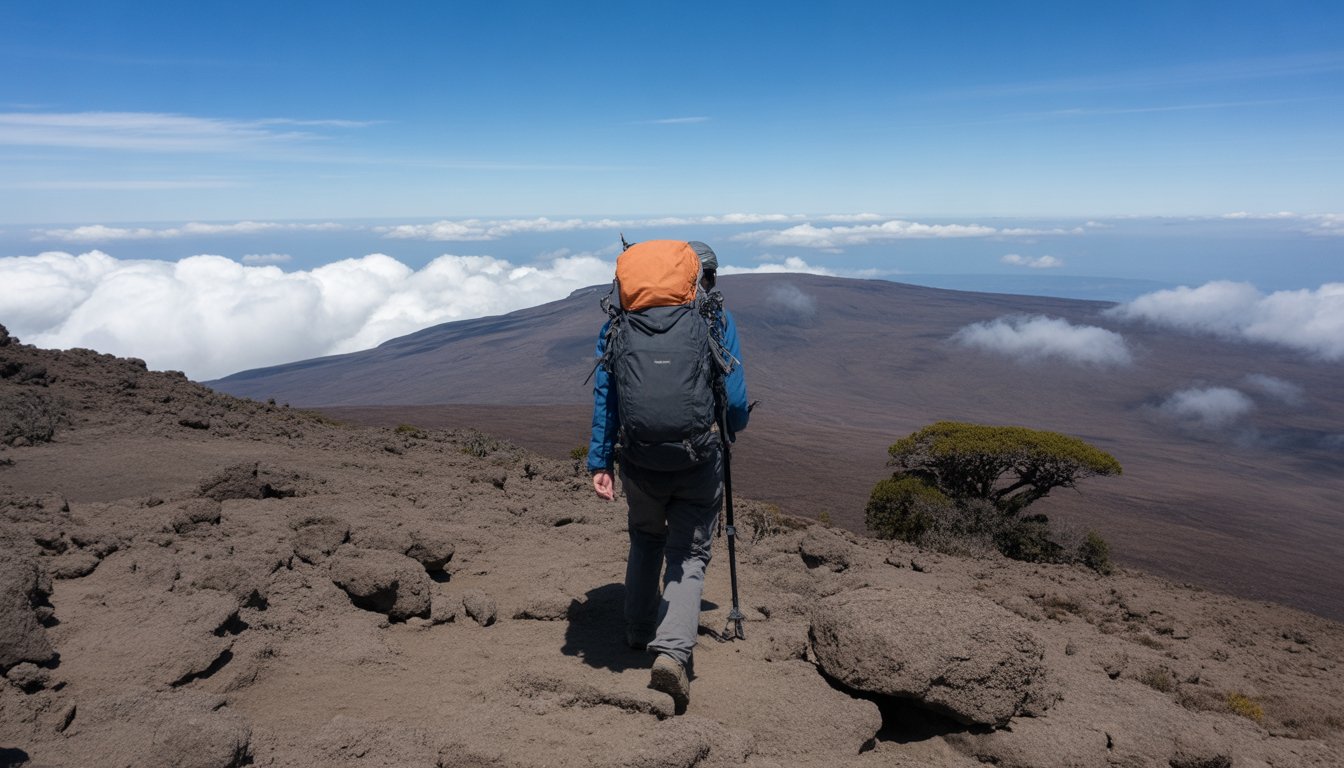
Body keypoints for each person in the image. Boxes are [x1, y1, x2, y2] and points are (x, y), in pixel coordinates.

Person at [587, 240, 750, 714]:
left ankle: (638, 631)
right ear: (695, 279)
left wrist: (600, 462)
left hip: (638, 460)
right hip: (699, 458)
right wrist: (729, 431)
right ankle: (673, 653)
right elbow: (735, 401)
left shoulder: (617, 326)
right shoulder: (715, 322)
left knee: (644, 537)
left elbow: (606, 399)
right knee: (690, 554)